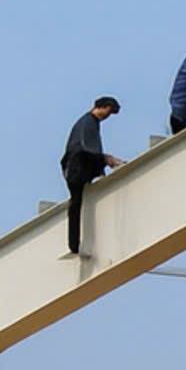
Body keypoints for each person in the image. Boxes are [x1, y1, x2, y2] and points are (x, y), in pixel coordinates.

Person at [58, 97, 124, 259]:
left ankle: (74, 245)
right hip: (77, 168)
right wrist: (106, 160)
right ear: (102, 107)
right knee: (76, 203)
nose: (107, 116)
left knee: (76, 204)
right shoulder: (89, 122)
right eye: (108, 112)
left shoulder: (87, 122)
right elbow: (87, 149)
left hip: (76, 168)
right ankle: (74, 245)